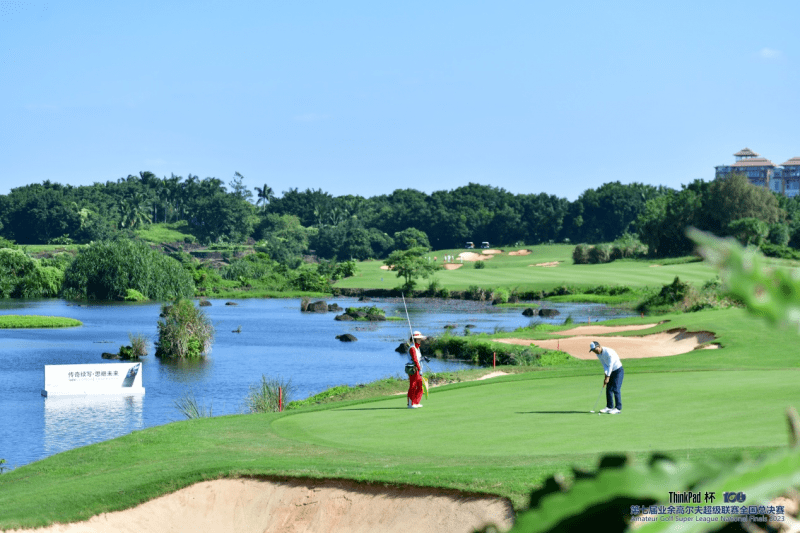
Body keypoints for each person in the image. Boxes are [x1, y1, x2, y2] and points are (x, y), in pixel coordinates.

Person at [589, 341, 623, 414]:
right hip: (611, 371)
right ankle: (609, 407)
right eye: (593, 351)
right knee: (609, 389)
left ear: (598, 346)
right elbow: (605, 365)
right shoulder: (598, 354)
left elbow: (610, 365)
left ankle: (618, 408)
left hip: (618, 370)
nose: (594, 352)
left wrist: (608, 377)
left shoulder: (608, 352)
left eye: (595, 349)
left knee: (616, 389)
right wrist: (605, 376)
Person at [407, 331, 426, 408]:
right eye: (418, 339)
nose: (420, 340)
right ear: (415, 339)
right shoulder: (412, 348)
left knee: (420, 385)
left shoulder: (417, 348)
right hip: (413, 369)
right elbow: (415, 360)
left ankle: (416, 402)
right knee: (413, 385)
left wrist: (423, 359)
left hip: (418, 368)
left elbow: (418, 358)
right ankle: (411, 403)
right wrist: (419, 368)